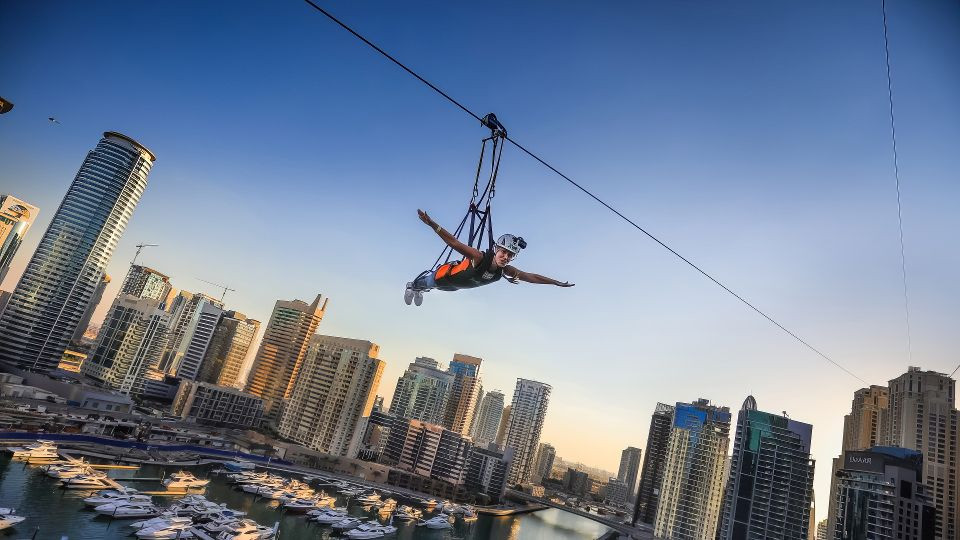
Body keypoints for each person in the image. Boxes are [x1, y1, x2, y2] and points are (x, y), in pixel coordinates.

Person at [405, 209, 574, 306]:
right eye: (503, 252)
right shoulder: (479, 257)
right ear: (496, 249)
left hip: (454, 288)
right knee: (426, 284)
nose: (506, 257)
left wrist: (556, 283)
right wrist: (432, 223)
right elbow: (454, 243)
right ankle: (412, 286)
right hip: (443, 278)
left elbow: (531, 277)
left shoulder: (505, 270)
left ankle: (421, 290)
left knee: (432, 288)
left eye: (510, 255)